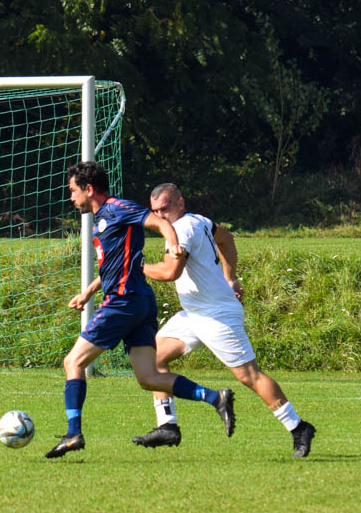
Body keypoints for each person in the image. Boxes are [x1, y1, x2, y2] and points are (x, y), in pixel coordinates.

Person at [46, 160, 235, 458]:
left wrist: (173, 246)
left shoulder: (117, 208)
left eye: (72, 190)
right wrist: (88, 292)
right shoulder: (102, 219)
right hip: (138, 301)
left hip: (123, 301)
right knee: (148, 377)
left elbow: (160, 223)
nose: (71, 197)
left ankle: (73, 434)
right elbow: (115, 265)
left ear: (89, 189)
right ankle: (215, 398)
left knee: (73, 362)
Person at [131, 183, 315, 457]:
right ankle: (168, 426)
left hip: (216, 315)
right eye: (155, 211)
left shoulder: (183, 229)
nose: (160, 215)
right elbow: (226, 239)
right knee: (154, 359)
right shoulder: (199, 221)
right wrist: (230, 277)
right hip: (194, 313)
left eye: (165, 208)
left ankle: (299, 427)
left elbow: (170, 272)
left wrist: (136, 266)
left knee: (249, 376)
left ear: (180, 203)